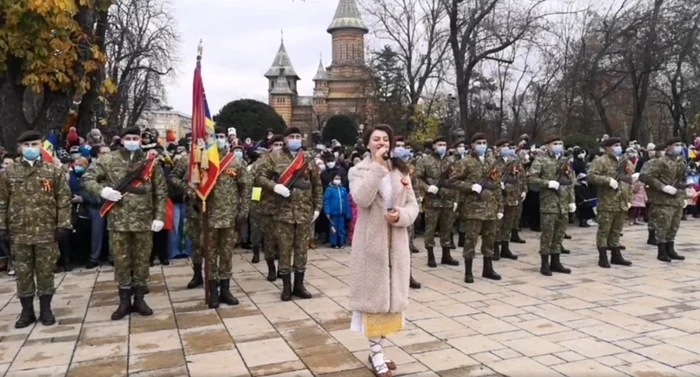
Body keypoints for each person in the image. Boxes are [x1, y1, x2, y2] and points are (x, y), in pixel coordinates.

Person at [348, 124, 419, 377]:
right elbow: (361, 199)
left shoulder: (401, 170)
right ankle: (376, 353)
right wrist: (377, 168)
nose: (381, 143)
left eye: (385, 139)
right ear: (367, 143)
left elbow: (413, 205)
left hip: (396, 243)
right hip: (371, 244)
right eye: (376, 139)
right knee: (374, 301)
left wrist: (401, 215)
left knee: (390, 302)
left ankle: (378, 348)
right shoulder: (359, 170)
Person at [82, 127, 167, 320]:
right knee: (121, 261)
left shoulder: (150, 163)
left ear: (140, 140)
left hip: (144, 221)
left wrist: (159, 216)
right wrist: (102, 191)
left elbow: (160, 192)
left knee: (142, 261)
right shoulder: (108, 159)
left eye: (135, 138)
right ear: (122, 140)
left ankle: (139, 299)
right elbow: (87, 178)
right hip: (118, 221)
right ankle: (123, 301)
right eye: (128, 138)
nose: (132, 141)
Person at [0, 130, 72, 328]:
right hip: (19, 232)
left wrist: (63, 224)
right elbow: (2, 202)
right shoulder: (10, 174)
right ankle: (27, 311)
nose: (30, 149)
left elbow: (64, 200)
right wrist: (2, 227)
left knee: (45, 271)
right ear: (20, 148)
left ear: (41, 146)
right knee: (23, 273)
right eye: (26, 146)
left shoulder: (53, 172)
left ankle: (46, 309)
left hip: (46, 231)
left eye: (34, 145)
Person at [255, 127, 322, 301]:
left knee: (301, 251)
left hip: (304, 212)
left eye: (298, 136)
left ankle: (299, 285)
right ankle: (286, 287)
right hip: (283, 212)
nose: (295, 139)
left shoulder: (308, 159)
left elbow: (317, 185)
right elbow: (259, 177)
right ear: (285, 139)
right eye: (292, 136)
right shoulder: (273, 157)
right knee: (284, 250)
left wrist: (317, 207)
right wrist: (275, 186)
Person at [450, 133, 503, 283]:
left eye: (484, 142)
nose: (482, 145)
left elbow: (497, 185)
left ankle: (488, 268)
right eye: (478, 142)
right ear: (472, 145)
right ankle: (468, 271)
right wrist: (470, 186)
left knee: (489, 238)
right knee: (471, 239)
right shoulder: (465, 162)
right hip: (473, 208)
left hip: (491, 207)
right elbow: (453, 181)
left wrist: (500, 207)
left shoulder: (492, 161)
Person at [527, 135, 575, 276]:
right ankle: (544, 264)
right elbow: (531, 178)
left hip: (564, 203)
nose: (559, 145)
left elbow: (570, 181)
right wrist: (547, 183)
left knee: (559, 234)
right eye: (555, 143)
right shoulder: (541, 160)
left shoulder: (565, 161)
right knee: (547, 234)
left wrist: (572, 200)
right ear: (547, 145)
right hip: (549, 202)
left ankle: (556, 261)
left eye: (560, 143)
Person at [587, 137, 633, 268]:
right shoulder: (601, 161)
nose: (618, 147)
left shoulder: (625, 161)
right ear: (607, 148)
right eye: (615, 145)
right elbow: (590, 176)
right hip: (607, 201)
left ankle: (616, 256)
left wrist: (629, 199)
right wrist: (607, 180)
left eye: (619, 145)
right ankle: (603, 257)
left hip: (621, 201)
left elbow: (628, 181)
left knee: (617, 230)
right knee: (604, 230)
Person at [414, 136, 459, 268]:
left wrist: (456, 199)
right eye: (439, 144)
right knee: (430, 228)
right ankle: (431, 255)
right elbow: (417, 178)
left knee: (447, 228)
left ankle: (446, 255)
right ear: (433, 146)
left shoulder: (451, 161)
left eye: (444, 144)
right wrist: (427, 188)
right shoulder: (425, 161)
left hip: (448, 200)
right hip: (433, 200)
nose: (442, 147)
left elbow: (456, 181)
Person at [640, 137, 687, 262]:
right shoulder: (659, 162)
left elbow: (682, 179)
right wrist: (663, 187)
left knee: (674, 226)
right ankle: (661, 252)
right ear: (668, 147)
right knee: (663, 226)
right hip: (663, 200)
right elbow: (645, 176)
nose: (679, 147)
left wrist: (684, 194)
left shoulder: (681, 161)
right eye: (676, 144)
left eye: (680, 144)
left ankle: (670, 249)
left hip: (677, 198)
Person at [492, 140, 524, 261]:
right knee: (497, 224)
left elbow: (521, 177)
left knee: (508, 223)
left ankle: (505, 248)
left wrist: (523, 190)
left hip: (512, 196)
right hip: (498, 196)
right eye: (503, 146)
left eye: (508, 146)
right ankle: (495, 249)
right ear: (498, 148)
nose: (506, 148)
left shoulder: (515, 161)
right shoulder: (493, 161)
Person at [324, 174, 351, 248]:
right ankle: (334, 243)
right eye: (336, 178)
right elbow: (326, 201)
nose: (337, 180)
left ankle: (341, 242)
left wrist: (348, 212)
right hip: (333, 213)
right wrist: (327, 212)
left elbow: (347, 201)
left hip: (341, 213)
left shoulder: (343, 189)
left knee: (341, 229)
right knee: (333, 228)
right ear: (332, 179)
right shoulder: (329, 189)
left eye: (339, 178)